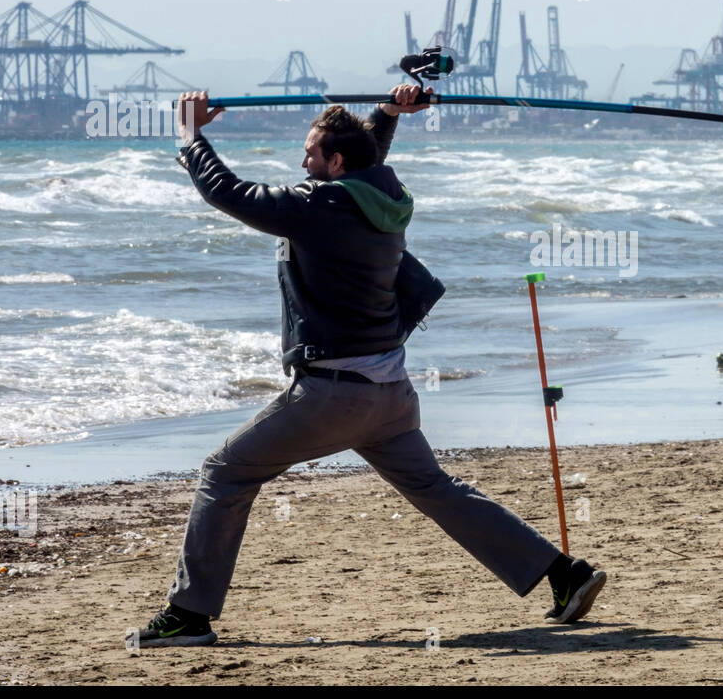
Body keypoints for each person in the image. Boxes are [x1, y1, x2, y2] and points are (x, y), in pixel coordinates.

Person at [133, 85, 606, 648]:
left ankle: (189, 615)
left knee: (225, 472)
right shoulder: (381, 200)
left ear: (335, 163)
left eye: (311, 154)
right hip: (389, 396)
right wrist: (385, 114)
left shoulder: (319, 206)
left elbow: (229, 193)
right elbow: (366, 162)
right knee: (436, 489)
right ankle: (564, 575)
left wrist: (190, 137)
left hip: (335, 396)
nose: (303, 162)